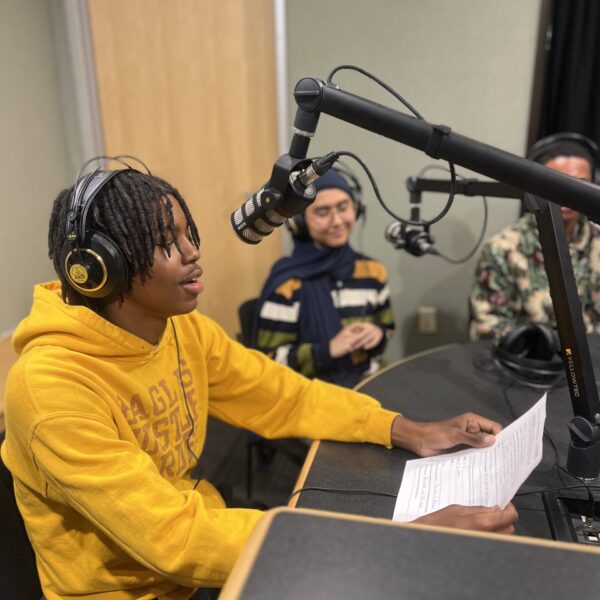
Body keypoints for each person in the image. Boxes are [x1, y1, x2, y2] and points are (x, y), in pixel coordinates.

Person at [2, 162, 517, 600]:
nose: (192, 253)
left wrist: (406, 429)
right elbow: (171, 537)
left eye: (189, 234)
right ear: (98, 269)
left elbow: (281, 395)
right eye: (165, 243)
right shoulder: (51, 388)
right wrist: (398, 535)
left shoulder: (184, 330)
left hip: (199, 569)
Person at [253, 168, 394, 389]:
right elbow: (268, 361)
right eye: (322, 212)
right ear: (299, 222)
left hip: (368, 385)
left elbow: (387, 327)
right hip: (312, 396)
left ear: (356, 209)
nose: (337, 221)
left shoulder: (373, 271)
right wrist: (326, 350)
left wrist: (378, 334)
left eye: (343, 207)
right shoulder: (288, 284)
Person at [470, 133, 600, 340]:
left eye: (581, 183)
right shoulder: (502, 249)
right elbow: (489, 328)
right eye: (559, 182)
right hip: (528, 366)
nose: (569, 193)